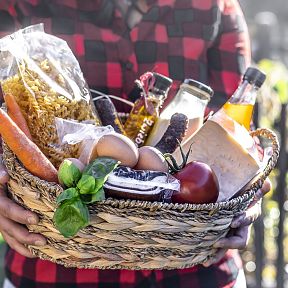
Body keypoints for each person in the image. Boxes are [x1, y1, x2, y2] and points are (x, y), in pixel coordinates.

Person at [0, 0, 271, 287]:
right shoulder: (20, 4)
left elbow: (241, 134)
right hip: (58, 268)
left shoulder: (215, 7)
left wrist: (247, 199)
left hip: (197, 270)